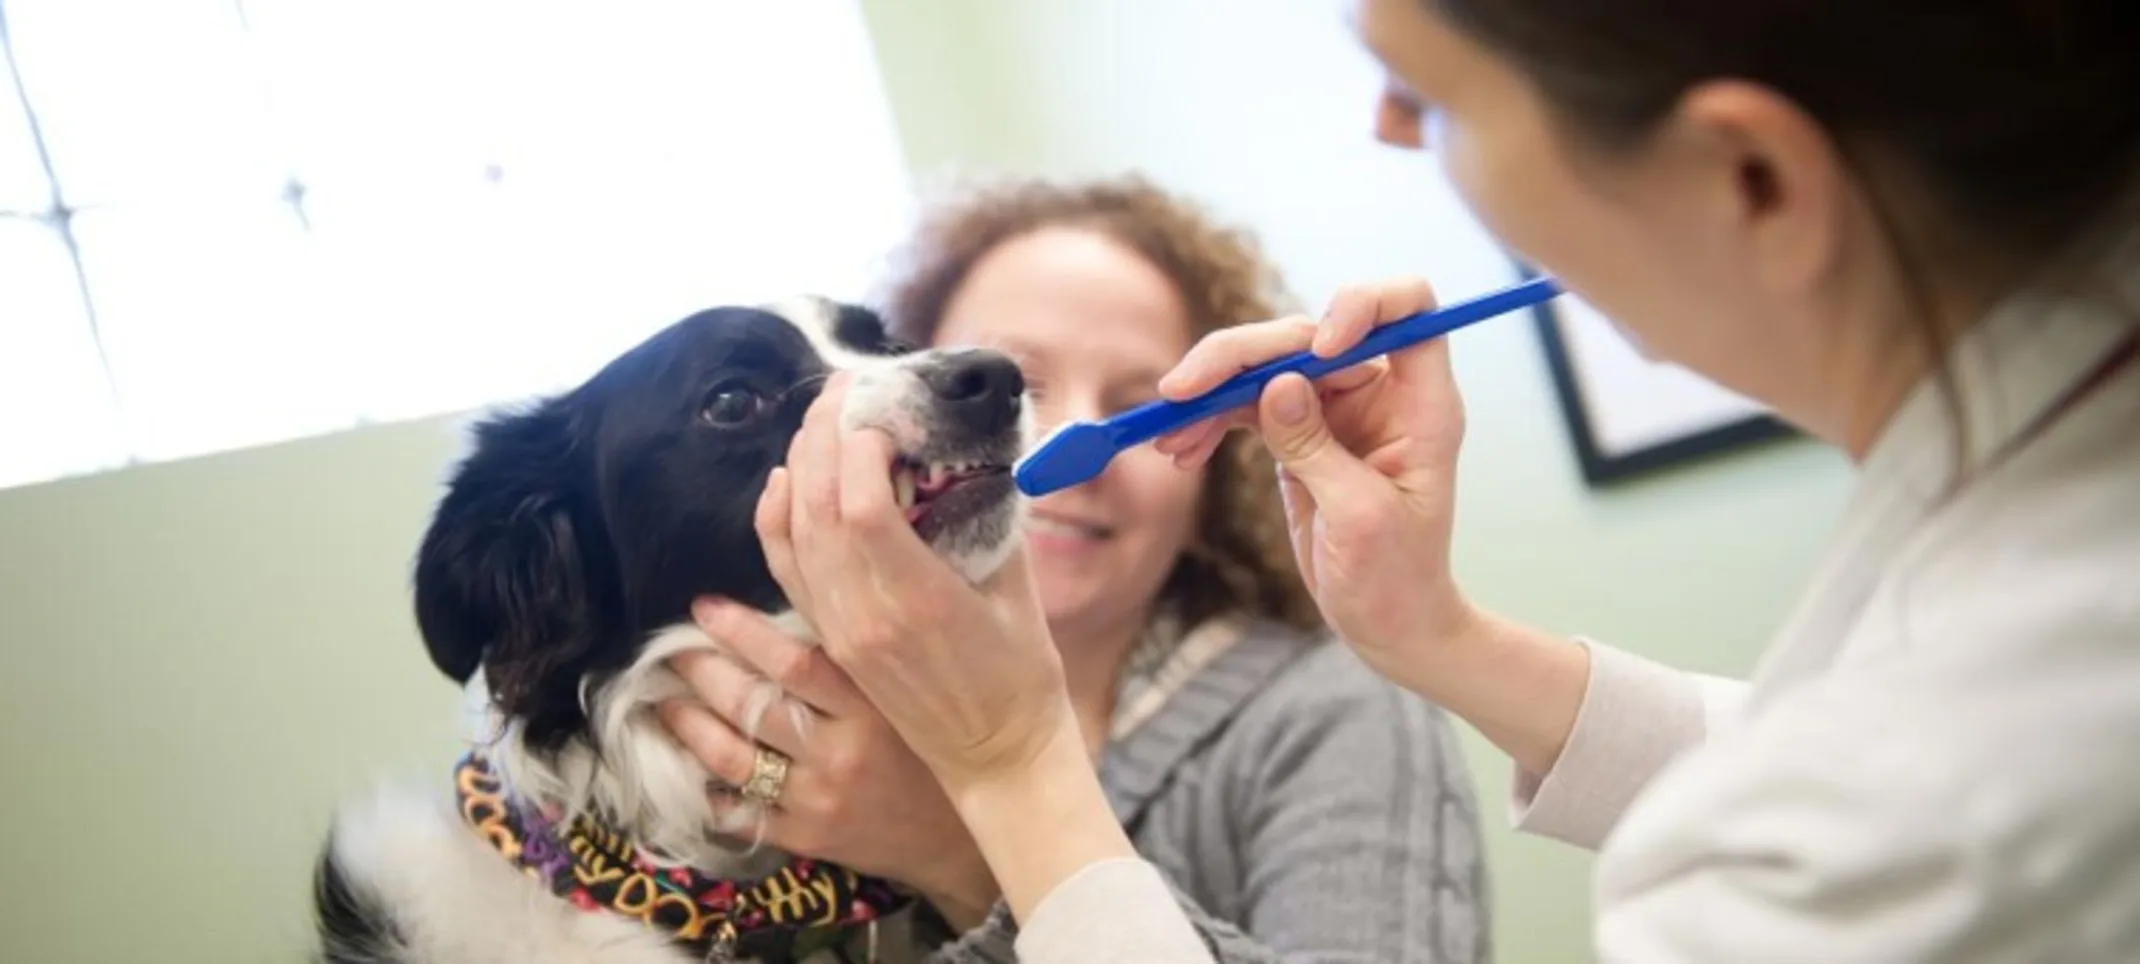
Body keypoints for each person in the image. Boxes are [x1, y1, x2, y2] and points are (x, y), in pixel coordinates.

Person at [737, 0, 2140, 960]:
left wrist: (1005, 784)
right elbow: (1832, 746)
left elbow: (1870, 802)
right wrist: (1441, 636)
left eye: (1426, 91)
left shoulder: (1923, 816)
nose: (1396, 138)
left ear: (1755, 180)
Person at [659, 175, 1492, 961]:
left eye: (1143, 408)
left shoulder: (1329, 717)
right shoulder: (754, 702)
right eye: (1001, 383)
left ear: (1220, 471)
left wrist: (958, 851)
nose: (1074, 450)